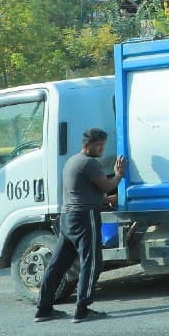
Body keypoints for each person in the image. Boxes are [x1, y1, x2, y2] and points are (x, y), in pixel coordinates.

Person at [34, 128, 126, 323]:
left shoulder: (72, 161)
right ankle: (82, 309)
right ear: (87, 145)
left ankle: (44, 308)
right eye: (98, 145)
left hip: (67, 218)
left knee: (58, 264)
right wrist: (118, 175)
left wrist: (106, 199)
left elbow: (84, 191)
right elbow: (107, 186)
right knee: (91, 262)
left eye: (103, 144)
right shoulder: (89, 163)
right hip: (84, 217)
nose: (101, 148)